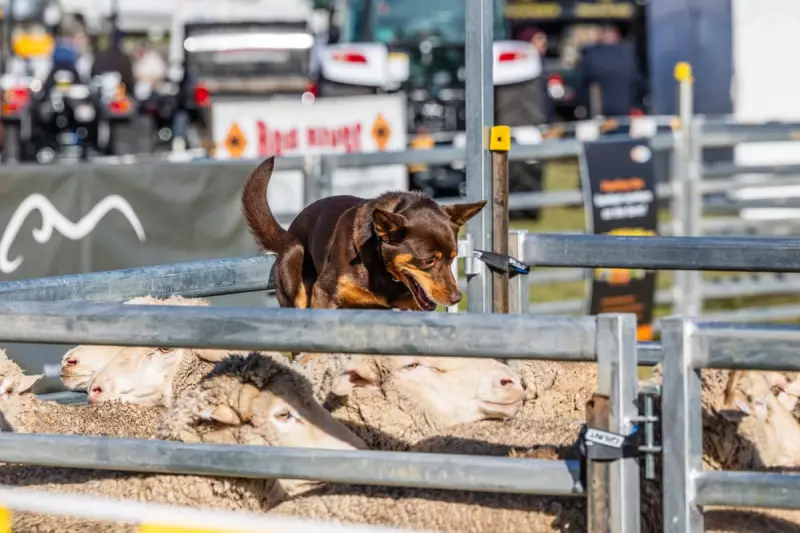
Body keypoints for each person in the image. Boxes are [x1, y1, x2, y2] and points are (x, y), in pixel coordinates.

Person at [575, 24, 643, 118]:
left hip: (599, 111)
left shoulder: (591, 56)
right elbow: (637, 81)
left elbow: (581, 84)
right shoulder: (629, 54)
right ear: (616, 35)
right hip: (626, 109)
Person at [91, 28, 136, 93]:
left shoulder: (100, 56)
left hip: (101, 92)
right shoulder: (124, 59)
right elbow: (129, 81)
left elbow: (93, 75)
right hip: (119, 94)